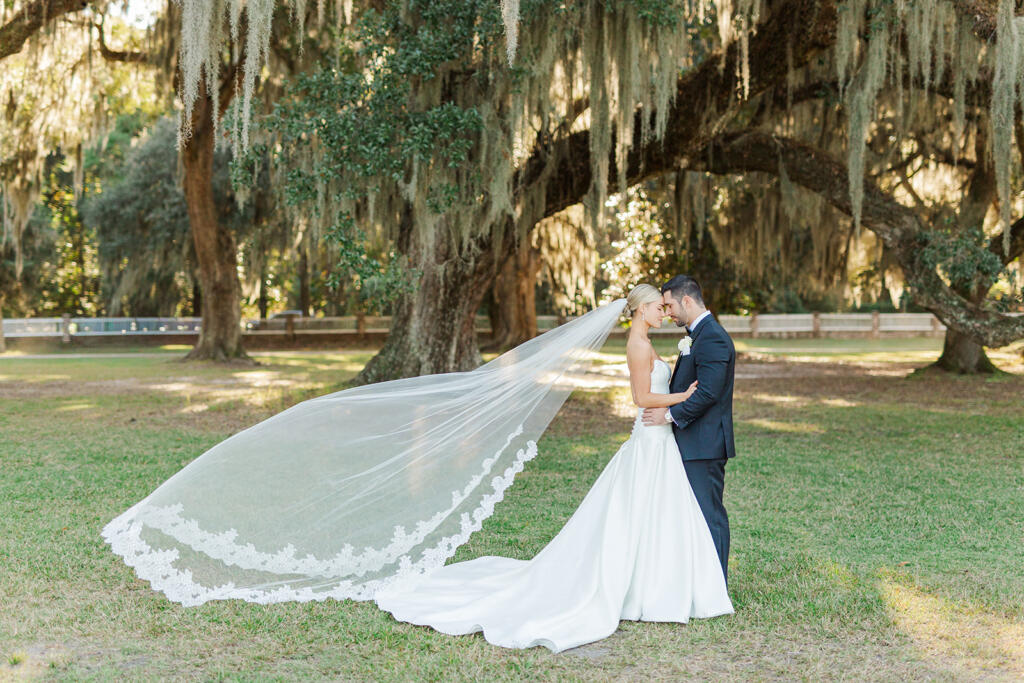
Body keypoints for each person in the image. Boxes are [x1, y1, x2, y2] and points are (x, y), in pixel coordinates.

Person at [373, 283, 733, 652]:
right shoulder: (638, 345)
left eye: (666, 306)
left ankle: (659, 583)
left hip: (660, 440)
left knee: (655, 513)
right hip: (650, 438)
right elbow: (641, 398)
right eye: (659, 307)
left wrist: (674, 405)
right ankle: (643, 586)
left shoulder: (652, 341)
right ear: (642, 310)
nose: (665, 313)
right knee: (638, 511)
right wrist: (682, 397)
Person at [641, 275, 736, 584]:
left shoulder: (713, 337)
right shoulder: (697, 335)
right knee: (690, 514)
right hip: (690, 440)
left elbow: (709, 393)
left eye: (669, 305)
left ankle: (716, 584)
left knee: (709, 514)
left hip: (705, 443)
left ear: (687, 301)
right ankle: (695, 579)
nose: (667, 313)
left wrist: (669, 416)